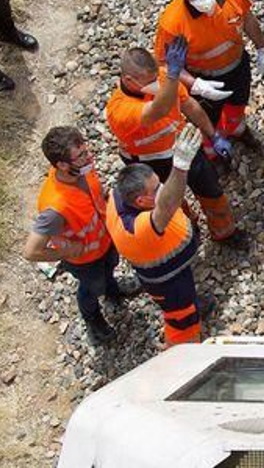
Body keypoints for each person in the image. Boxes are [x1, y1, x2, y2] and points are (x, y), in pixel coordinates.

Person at [105, 40, 249, 249]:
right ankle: (186, 233)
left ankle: (224, 232)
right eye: (149, 80)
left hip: (185, 148)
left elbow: (189, 105)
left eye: (157, 77)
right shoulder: (119, 110)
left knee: (212, 192)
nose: (156, 82)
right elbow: (159, 109)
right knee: (169, 203)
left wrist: (213, 135)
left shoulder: (163, 77)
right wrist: (173, 76)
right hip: (153, 165)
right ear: (129, 80)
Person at [22, 126, 136, 344]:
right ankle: (94, 322)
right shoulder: (55, 206)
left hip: (105, 241)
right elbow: (31, 251)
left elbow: (95, 196)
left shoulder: (82, 169)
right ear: (63, 165)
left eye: (86, 150)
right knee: (91, 289)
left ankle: (113, 292)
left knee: (110, 267)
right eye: (81, 155)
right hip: (85, 261)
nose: (89, 157)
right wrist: (64, 253)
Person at [107, 126, 217, 346]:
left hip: (174, 269)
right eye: (157, 188)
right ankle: (184, 356)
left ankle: (193, 304)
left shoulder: (117, 195)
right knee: (181, 319)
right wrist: (181, 166)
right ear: (141, 202)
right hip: (169, 284)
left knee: (188, 301)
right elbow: (166, 206)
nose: (163, 188)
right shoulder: (137, 229)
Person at [152, 0, 264, 149]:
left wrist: (261, 48)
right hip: (204, 79)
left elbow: (247, 18)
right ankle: (212, 150)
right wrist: (196, 84)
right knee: (208, 119)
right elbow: (165, 64)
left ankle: (237, 129)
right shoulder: (173, 23)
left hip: (238, 66)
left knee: (238, 103)